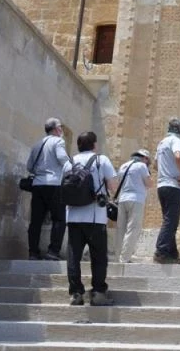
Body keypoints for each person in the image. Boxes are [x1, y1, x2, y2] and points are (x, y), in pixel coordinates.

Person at [63, 131, 117, 306]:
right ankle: (98, 292)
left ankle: (76, 293)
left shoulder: (69, 163)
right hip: (95, 216)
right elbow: (112, 185)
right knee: (99, 257)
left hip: (72, 216)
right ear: (94, 144)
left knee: (73, 256)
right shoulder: (101, 160)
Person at [26, 117, 69, 261]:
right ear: (56, 129)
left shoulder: (37, 144)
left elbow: (29, 167)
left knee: (36, 220)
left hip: (38, 185)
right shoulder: (58, 141)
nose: (61, 130)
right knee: (59, 219)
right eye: (60, 127)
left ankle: (33, 252)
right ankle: (53, 251)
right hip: (55, 184)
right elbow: (63, 159)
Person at [153, 117, 180, 264]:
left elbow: (155, 164)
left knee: (170, 220)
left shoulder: (162, 143)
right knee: (171, 220)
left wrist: (165, 171)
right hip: (174, 185)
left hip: (162, 185)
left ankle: (173, 254)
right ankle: (160, 251)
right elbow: (178, 156)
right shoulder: (176, 140)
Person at [113, 149, 153, 263]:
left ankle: (118, 257)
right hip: (136, 200)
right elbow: (149, 183)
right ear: (144, 158)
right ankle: (125, 258)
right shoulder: (141, 166)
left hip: (122, 199)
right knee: (133, 229)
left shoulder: (123, 166)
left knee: (121, 229)